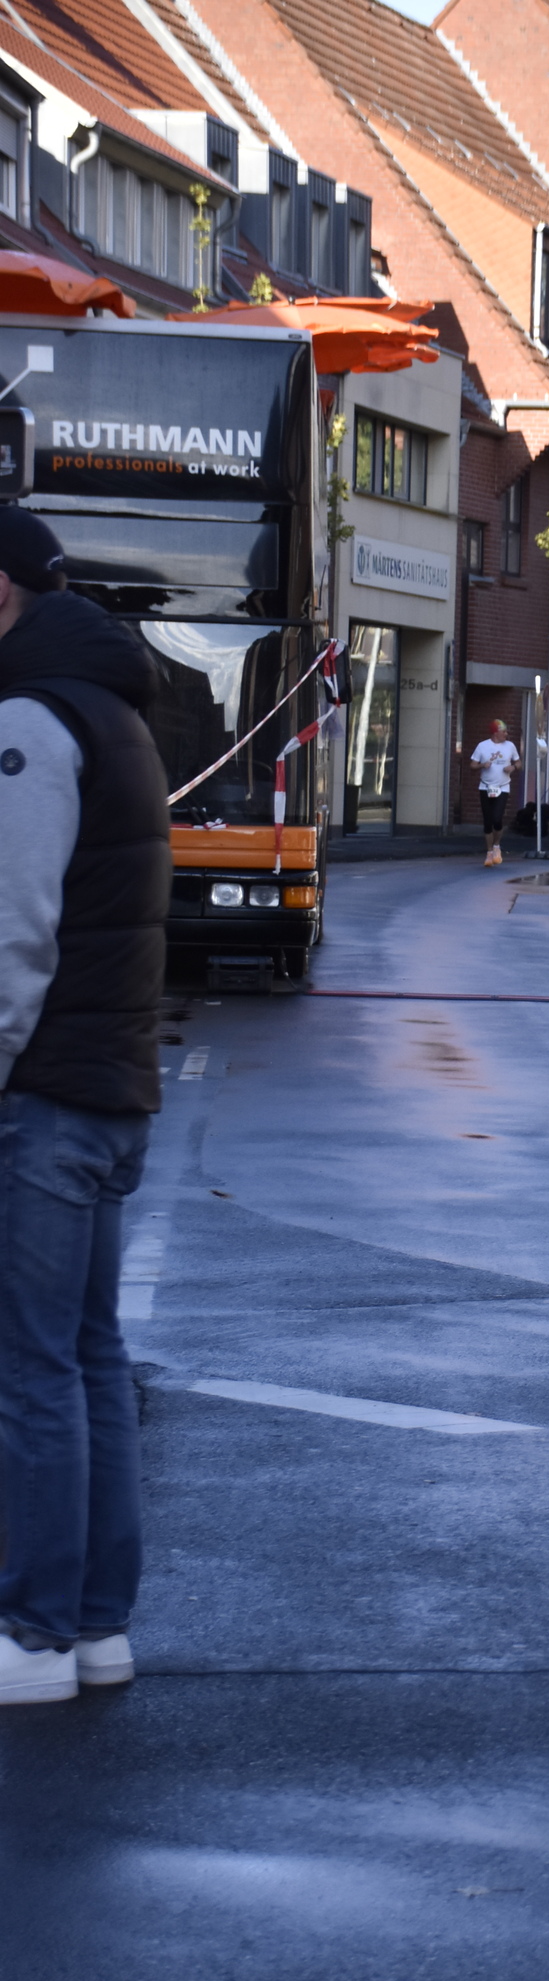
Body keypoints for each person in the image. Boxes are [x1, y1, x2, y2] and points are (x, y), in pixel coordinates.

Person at [0, 511, 171, 1704]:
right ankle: (99, 1628)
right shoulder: (114, 713)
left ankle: (35, 1635)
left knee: (33, 1370)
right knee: (92, 1358)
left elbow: (13, 931)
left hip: (44, 1093)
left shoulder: (28, 724)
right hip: (111, 1089)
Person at [469, 718, 519, 868]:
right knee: (487, 821)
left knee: (497, 818)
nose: (506, 733)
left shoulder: (510, 746)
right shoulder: (482, 746)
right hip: (485, 787)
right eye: (503, 731)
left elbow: (518, 762)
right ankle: (489, 852)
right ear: (495, 732)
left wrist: (513, 768)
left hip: (502, 787)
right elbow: (472, 765)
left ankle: (497, 845)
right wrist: (482, 765)